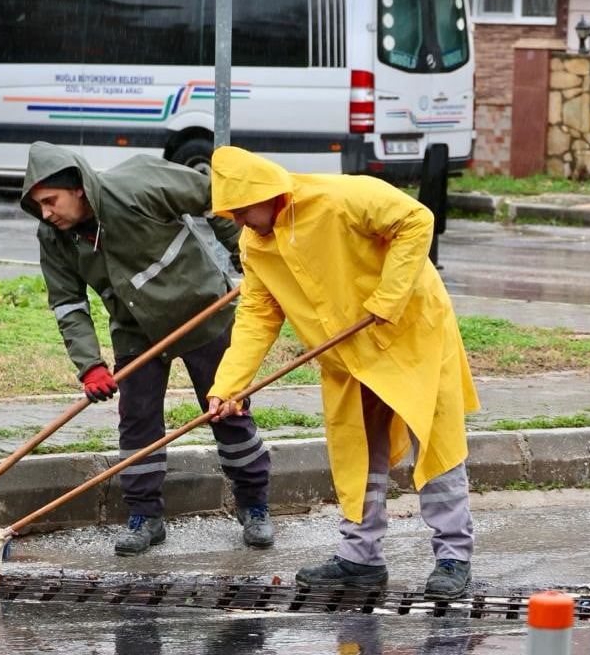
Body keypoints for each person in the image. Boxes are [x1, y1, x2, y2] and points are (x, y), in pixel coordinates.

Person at [203, 146, 479, 599]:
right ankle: (360, 559)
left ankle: (453, 558)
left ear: (268, 193)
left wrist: (387, 300)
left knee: (436, 445)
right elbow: (257, 314)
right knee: (355, 451)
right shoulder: (255, 245)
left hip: (411, 337)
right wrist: (229, 386)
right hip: (348, 356)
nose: (238, 221)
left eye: (240, 209)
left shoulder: (341, 197)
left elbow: (416, 220)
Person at [21, 141, 274, 556]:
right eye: (39, 205)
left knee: (228, 410)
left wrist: (250, 259)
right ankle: (145, 518)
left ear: (78, 187)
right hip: (135, 331)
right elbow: (68, 303)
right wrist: (90, 366)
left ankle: (255, 506)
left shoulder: (140, 182)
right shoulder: (54, 236)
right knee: (137, 426)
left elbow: (217, 198)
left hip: (202, 312)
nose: (46, 212)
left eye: (51, 201)